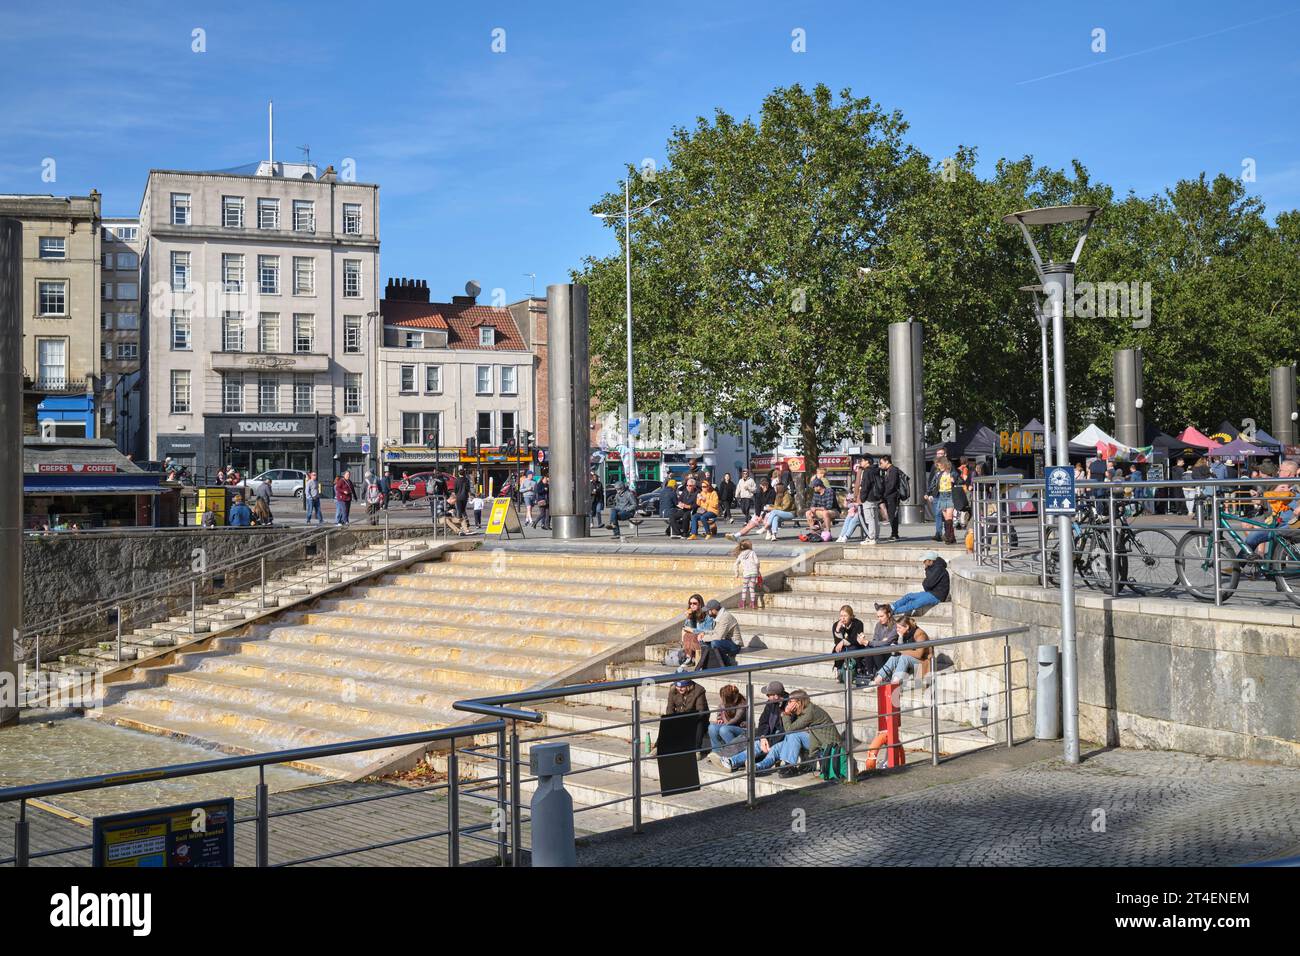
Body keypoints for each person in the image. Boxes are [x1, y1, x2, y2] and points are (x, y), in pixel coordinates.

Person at [752, 690, 840, 778]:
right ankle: (758, 767)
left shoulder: (810, 712)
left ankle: (789, 766)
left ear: (798, 702)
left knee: (793, 735)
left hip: (827, 745)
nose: (788, 704)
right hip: (816, 739)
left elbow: (789, 729)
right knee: (776, 747)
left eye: (790, 701)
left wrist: (786, 713)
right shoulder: (805, 709)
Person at [713, 681, 788, 772]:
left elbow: (786, 730)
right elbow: (763, 721)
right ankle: (724, 755)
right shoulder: (771, 703)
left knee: (757, 745)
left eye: (768, 695)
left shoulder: (789, 705)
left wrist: (768, 741)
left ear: (776, 696)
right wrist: (763, 737)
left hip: (781, 737)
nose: (767, 697)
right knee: (748, 737)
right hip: (769, 734)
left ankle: (731, 761)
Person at [872, 614, 932, 685]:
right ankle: (876, 681)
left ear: (906, 627)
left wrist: (899, 649)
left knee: (904, 658)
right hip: (912, 659)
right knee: (894, 658)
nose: (897, 630)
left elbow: (919, 654)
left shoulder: (920, 635)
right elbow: (902, 649)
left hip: (924, 661)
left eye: (899, 628)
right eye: (897, 627)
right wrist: (900, 637)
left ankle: (895, 684)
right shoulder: (905, 633)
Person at [887, 550, 950, 616]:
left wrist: (926, 573)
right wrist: (927, 571)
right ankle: (891, 607)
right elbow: (928, 582)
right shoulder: (934, 567)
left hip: (938, 596)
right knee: (909, 596)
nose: (923, 562)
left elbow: (928, 584)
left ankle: (892, 612)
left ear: (930, 561)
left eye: (925, 561)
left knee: (914, 603)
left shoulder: (939, 569)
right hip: (932, 592)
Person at [661, 678, 710, 760]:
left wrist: (686, 721)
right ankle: (658, 746)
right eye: (678, 686)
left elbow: (701, 711)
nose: (680, 689)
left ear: (689, 685)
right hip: (681, 718)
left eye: (683, 687)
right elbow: (670, 709)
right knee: (667, 720)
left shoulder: (699, 690)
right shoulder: (673, 690)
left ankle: (696, 750)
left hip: (696, 718)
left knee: (700, 722)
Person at [860, 603, 900, 682]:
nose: (879, 619)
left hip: (890, 652)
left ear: (888, 614)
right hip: (880, 650)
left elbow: (887, 643)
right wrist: (880, 642)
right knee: (869, 647)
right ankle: (870, 674)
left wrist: (870, 642)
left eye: (882, 616)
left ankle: (883, 674)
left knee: (874, 648)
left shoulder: (895, 626)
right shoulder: (878, 625)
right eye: (878, 617)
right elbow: (875, 640)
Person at [830, 604, 867, 685]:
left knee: (852, 648)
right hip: (843, 648)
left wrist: (843, 641)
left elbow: (856, 640)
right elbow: (837, 642)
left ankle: (857, 671)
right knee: (837, 649)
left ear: (851, 616)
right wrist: (838, 630)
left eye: (845, 616)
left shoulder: (858, 623)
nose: (842, 618)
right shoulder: (836, 625)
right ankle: (839, 671)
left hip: (856, 646)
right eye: (841, 616)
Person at [708, 685, 748, 754]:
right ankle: (717, 753)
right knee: (712, 727)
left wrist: (724, 723)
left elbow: (736, 719)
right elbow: (720, 707)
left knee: (724, 729)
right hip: (728, 725)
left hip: (743, 728)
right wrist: (719, 718)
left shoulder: (742, 703)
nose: (723, 701)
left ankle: (734, 753)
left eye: (724, 699)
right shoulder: (727, 702)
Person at [926, 457, 956, 544]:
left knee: (949, 517)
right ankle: (952, 537)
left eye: (939, 465)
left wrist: (954, 480)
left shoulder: (952, 473)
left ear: (944, 464)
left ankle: (948, 537)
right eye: (937, 465)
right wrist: (928, 493)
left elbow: (960, 480)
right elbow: (933, 484)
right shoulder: (938, 474)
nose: (938, 466)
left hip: (950, 495)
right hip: (942, 496)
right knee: (946, 518)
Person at [880, 455, 905, 541]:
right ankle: (894, 533)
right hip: (890, 496)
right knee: (891, 515)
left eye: (881, 463)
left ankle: (895, 534)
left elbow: (892, 485)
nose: (880, 465)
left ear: (887, 461)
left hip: (892, 496)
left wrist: (885, 494)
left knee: (893, 515)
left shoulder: (893, 470)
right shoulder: (888, 470)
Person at [734, 539, 762, 608]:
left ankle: (743, 602)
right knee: (752, 588)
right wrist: (758, 570)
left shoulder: (740, 555)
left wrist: (736, 573)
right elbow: (757, 562)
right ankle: (753, 603)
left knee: (744, 588)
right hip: (754, 572)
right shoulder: (752, 552)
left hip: (746, 573)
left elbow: (735, 564)